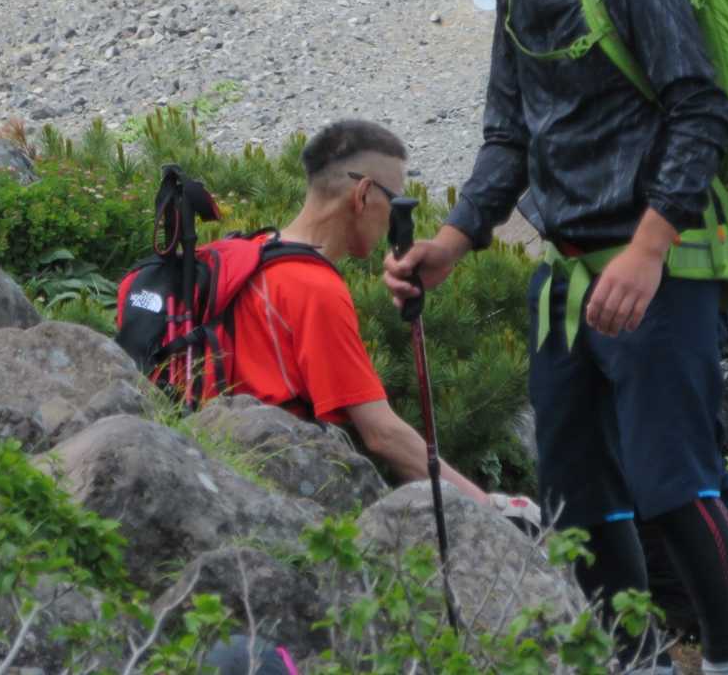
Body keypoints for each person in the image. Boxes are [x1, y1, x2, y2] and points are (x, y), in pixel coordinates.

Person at [384, 0, 728, 675]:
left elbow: (700, 112)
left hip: (659, 269)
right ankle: (637, 663)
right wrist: (452, 241)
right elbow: (509, 136)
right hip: (568, 280)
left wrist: (649, 250)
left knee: (673, 482)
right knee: (577, 496)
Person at [211, 118, 537, 528]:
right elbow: (382, 434)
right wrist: (488, 507)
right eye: (397, 204)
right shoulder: (314, 288)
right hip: (274, 490)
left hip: (218, 461)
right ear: (363, 194)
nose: (396, 224)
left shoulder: (248, 250)